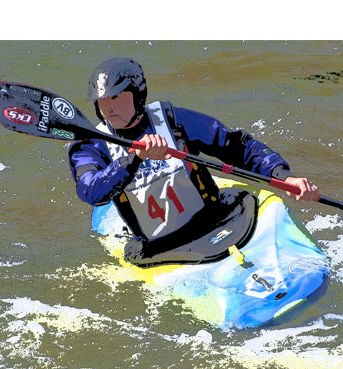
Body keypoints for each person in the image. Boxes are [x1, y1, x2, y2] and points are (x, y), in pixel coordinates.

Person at [68, 57, 319, 264]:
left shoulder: (172, 121)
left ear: (137, 95)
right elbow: (90, 192)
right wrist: (134, 159)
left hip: (215, 220)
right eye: (102, 100)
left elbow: (236, 146)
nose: (108, 108)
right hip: (161, 249)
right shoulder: (91, 144)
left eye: (116, 97)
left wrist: (284, 176)